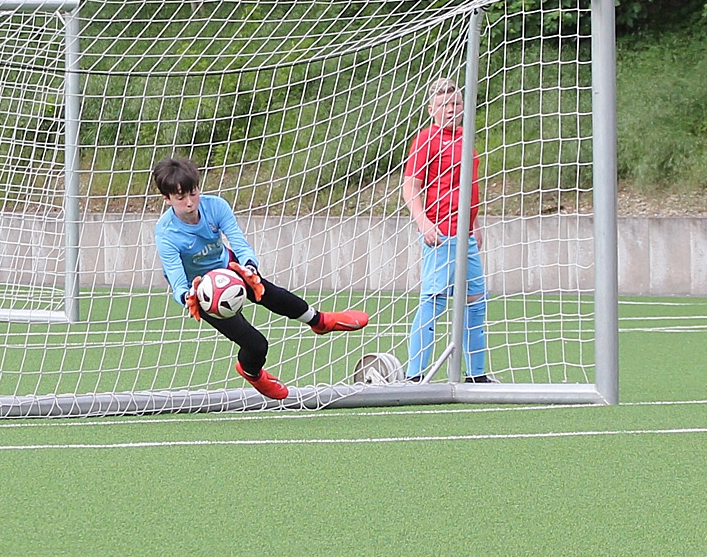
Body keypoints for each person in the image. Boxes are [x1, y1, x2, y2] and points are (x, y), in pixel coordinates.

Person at [152, 156, 370, 400]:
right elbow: (176, 279)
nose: (190, 202)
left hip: (229, 268)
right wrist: (188, 296)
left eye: (193, 193)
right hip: (202, 292)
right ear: (167, 199)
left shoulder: (216, 206)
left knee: (269, 293)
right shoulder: (166, 233)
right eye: (180, 197)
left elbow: (239, 241)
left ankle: (320, 322)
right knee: (256, 345)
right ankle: (252, 372)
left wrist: (250, 268)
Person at [402, 79, 495, 382]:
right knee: (434, 301)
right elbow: (410, 188)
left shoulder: (467, 139)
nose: (452, 109)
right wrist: (423, 222)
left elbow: (467, 187)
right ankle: (414, 376)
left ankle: (476, 375)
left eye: (456, 104)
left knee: (476, 302)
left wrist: (475, 224)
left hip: (466, 235)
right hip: (440, 234)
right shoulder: (426, 139)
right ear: (432, 110)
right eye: (445, 105)